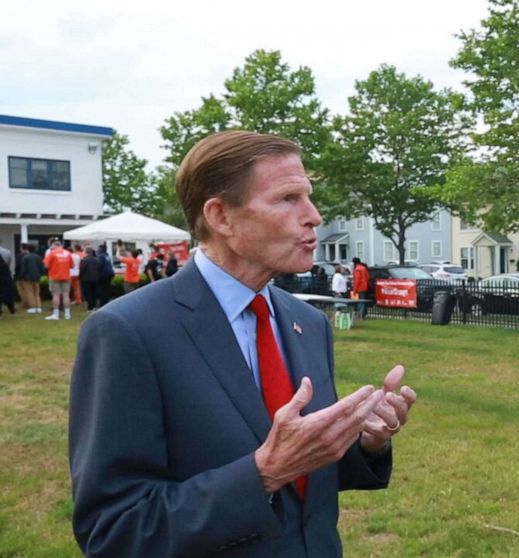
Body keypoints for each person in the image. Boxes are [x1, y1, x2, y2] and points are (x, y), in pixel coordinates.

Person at [70, 130, 417, 558]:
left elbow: (303, 478)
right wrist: (264, 473)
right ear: (221, 217)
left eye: (308, 196)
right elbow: (115, 530)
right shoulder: (129, 331)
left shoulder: (306, 322)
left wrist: (363, 441)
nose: (313, 215)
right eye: (288, 199)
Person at [43, 240, 73, 320]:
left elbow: (46, 265)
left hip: (55, 276)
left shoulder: (52, 253)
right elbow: (72, 265)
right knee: (66, 295)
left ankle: (56, 314)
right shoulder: (68, 253)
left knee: (56, 295)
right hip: (66, 276)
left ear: (54, 245)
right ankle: (67, 314)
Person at [16, 244, 44, 314]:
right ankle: (39, 307)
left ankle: (33, 307)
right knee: (37, 293)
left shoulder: (25, 257)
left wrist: (22, 276)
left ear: (28, 250)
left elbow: (23, 269)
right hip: (37, 276)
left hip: (27, 277)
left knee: (30, 292)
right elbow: (41, 267)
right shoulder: (39, 257)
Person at [78, 247, 101, 312]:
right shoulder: (96, 260)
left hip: (86, 279)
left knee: (88, 294)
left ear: (86, 252)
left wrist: (80, 277)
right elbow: (99, 269)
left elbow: (82, 269)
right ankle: (94, 306)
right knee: (94, 293)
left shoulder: (85, 260)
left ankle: (90, 308)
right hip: (95, 279)